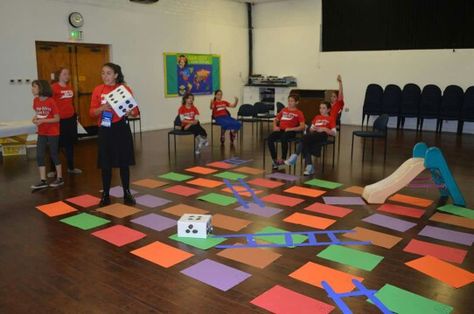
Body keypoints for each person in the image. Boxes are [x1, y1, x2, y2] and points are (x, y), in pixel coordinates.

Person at [89, 63, 139, 206]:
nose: (105, 76)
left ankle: (127, 193)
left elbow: (135, 111)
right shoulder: (98, 90)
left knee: (124, 162)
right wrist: (102, 108)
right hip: (105, 128)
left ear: (116, 75)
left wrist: (131, 112)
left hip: (121, 128)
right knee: (106, 163)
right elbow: (91, 112)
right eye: (103, 73)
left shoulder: (124, 89)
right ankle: (105, 194)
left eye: (109, 73)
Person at [285, 75, 344, 175]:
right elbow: (311, 129)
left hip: (322, 135)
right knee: (305, 142)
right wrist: (312, 128)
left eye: (324, 108)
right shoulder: (317, 117)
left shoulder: (330, 118)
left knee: (304, 139)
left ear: (328, 109)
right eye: (320, 108)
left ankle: (295, 156)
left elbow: (334, 133)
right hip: (313, 135)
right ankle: (309, 167)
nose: (321, 110)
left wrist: (324, 129)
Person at [48, 67, 81, 178]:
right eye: (64, 74)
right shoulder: (53, 88)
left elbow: (69, 103)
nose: (67, 76)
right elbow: (49, 104)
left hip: (70, 119)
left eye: (68, 74)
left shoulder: (69, 87)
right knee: (55, 145)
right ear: (59, 76)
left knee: (69, 144)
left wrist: (75, 115)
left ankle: (71, 168)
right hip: (58, 121)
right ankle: (53, 170)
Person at [31, 80, 64, 189]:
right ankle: (43, 180)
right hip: (42, 132)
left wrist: (43, 121)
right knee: (39, 155)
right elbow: (38, 114)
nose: (32, 89)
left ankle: (60, 178)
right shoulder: (35, 100)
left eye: (34, 87)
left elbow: (57, 118)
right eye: (32, 87)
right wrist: (35, 118)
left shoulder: (51, 101)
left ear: (41, 88)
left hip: (53, 132)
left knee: (53, 154)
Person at [267, 94, 305, 169]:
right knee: (270, 138)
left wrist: (291, 129)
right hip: (281, 130)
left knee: (283, 138)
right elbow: (276, 120)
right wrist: (275, 126)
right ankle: (274, 159)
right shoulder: (284, 110)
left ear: (296, 102)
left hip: (291, 131)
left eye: (292, 101)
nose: (290, 103)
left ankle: (283, 159)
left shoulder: (299, 113)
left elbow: (302, 126)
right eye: (289, 101)